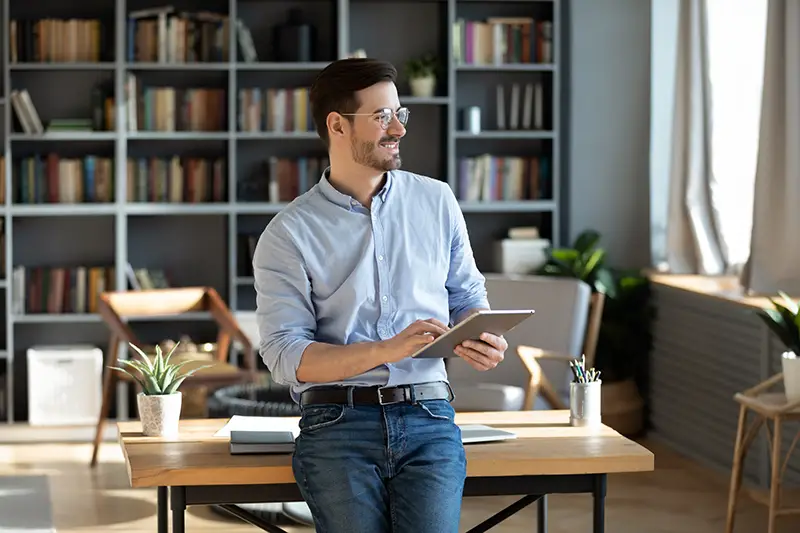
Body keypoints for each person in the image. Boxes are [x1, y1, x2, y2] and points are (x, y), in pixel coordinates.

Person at [253, 57, 508, 533]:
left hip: (430, 415)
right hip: (336, 425)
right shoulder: (288, 233)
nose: (398, 129)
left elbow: (467, 294)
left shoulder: (437, 201)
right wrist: (385, 352)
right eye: (381, 116)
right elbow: (286, 354)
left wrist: (481, 330)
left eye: (400, 114)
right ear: (337, 125)